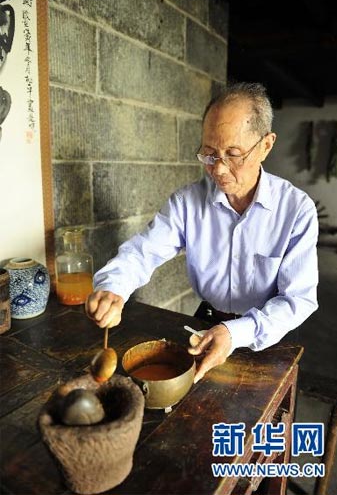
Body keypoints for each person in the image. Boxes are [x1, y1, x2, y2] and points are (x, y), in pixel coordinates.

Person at [85, 82, 319, 383]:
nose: (219, 169)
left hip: (268, 335)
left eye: (233, 154)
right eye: (209, 154)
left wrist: (235, 333)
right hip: (206, 324)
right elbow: (143, 252)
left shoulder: (296, 210)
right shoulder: (187, 203)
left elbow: (298, 300)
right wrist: (113, 288)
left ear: (266, 145)